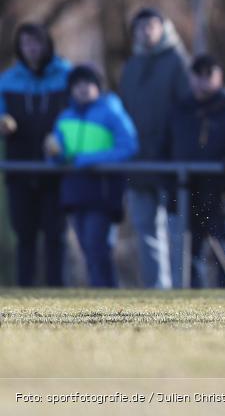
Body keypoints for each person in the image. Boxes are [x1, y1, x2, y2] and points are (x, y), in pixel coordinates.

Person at [46, 65, 138, 287]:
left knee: (96, 244)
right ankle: (103, 291)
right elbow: (59, 153)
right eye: (78, 85)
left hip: (103, 191)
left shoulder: (111, 111)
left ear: (98, 86)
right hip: (75, 191)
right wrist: (56, 156)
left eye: (88, 83)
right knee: (87, 247)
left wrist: (91, 159)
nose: (83, 89)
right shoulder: (65, 117)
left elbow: (129, 146)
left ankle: (104, 292)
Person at [119, 8, 191, 288]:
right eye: (140, 26)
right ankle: (156, 290)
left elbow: (186, 112)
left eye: (151, 25)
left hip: (170, 163)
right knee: (145, 229)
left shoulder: (178, 61)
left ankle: (179, 290)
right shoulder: (132, 65)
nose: (145, 31)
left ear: (164, 28)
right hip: (138, 163)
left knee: (175, 231)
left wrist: (174, 150)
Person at [166, 55, 225, 288]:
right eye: (198, 75)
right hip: (185, 189)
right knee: (190, 249)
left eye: (209, 75)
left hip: (220, 190)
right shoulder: (181, 108)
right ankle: (194, 294)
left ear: (219, 77)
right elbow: (167, 144)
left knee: (221, 247)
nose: (203, 81)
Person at [0, 23, 71, 286]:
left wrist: (61, 139)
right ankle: (24, 292)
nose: (31, 49)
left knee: (55, 235)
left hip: (56, 170)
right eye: (26, 43)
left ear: (47, 44)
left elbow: (80, 114)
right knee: (25, 235)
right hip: (19, 169)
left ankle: (57, 292)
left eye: (36, 43)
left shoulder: (67, 75)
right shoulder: (7, 81)